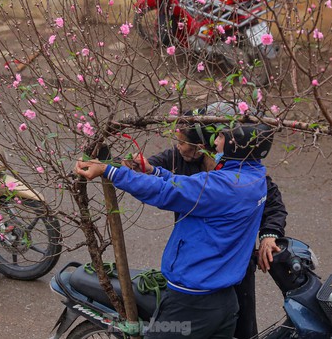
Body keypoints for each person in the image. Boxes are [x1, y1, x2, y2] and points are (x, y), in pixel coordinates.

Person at [76, 123, 274, 339]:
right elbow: (188, 185)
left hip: (193, 303)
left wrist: (110, 171)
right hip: (225, 301)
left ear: (238, 148)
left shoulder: (223, 186)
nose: (215, 142)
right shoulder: (253, 179)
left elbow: (165, 192)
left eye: (221, 138)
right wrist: (154, 171)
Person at [141, 108, 287, 338]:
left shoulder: (241, 170)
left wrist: (269, 234)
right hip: (198, 268)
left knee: (242, 328)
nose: (178, 147)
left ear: (205, 144)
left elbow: (274, 204)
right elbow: (149, 175)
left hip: (234, 266)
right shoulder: (178, 158)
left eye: (183, 143)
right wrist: (125, 168)